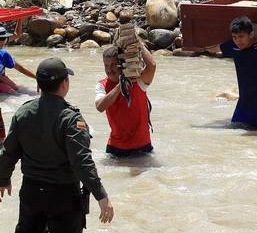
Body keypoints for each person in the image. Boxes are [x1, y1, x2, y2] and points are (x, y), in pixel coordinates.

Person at [0, 58, 114, 231]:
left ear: (39, 85)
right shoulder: (71, 119)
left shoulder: (22, 112)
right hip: (63, 196)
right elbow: (81, 161)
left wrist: (3, 178)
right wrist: (101, 196)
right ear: (64, 84)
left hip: (31, 192)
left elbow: (9, 152)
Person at [95, 44, 156, 158]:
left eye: (113, 65)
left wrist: (138, 44)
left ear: (123, 65)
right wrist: (120, 85)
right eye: (106, 65)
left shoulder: (138, 81)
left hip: (142, 147)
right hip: (116, 148)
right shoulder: (102, 85)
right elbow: (100, 106)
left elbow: (152, 65)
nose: (109, 70)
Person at [0, 22, 37, 94]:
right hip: (2, 79)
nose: (2, 42)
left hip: (2, 79)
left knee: (21, 89)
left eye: (3, 39)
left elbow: (20, 68)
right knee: (13, 92)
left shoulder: (3, 53)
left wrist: (37, 78)